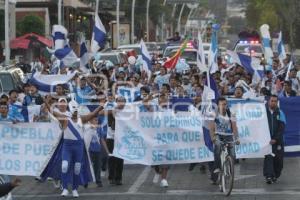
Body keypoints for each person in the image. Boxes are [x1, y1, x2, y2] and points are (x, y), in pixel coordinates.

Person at [209, 97, 240, 176]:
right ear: (218, 105)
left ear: (227, 105)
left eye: (225, 104)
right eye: (221, 104)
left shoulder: (231, 113)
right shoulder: (214, 113)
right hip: (218, 134)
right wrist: (212, 137)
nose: (223, 106)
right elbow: (211, 127)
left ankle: (230, 167)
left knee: (232, 154)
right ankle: (218, 167)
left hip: (229, 135)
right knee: (218, 146)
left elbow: (234, 127)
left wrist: (237, 138)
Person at [264, 95, 286, 184]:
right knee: (269, 158)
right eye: (272, 101)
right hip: (267, 141)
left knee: (279, 161)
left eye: (275, 101)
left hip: (278, 141)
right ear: (268, 101)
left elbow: (282, 128)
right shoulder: (264, 113)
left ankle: (275, 175)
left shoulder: (280, 113)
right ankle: (268, 176)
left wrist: (275, 139)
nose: (273, 103)